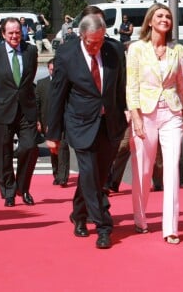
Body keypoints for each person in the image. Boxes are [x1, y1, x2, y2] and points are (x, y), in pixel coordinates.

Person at [46, 14, 128, 249]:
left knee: (97, 176)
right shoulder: (67, 54)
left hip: (108, 124)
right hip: (80, 123)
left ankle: (79, 215)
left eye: (101, 40)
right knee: (90, 172)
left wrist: (126, 113)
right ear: (82, 36)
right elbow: (57, 94)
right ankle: (103, 226)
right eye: (93, 42)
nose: (97, 46)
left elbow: (119, 88)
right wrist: (53, 134)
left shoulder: (114, 50)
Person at [126, 3, 183, 245]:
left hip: (171, 113)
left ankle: (170, 227)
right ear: (150, 21)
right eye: (160, 16)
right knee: (143, 169)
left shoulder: (177, 50)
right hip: (145, 113)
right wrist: (136, 118)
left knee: (172, 168)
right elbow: (131, 86)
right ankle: (140, 218)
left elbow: (181, 85)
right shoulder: (136, 49)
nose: (165, 19)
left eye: (168, 16)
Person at [0, 17, 39, 207]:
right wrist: (3, 97)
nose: (15, 36)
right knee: (4, 153)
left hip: (26, 109)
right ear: (3, 34)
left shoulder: (31, 51)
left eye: (17, 32)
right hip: (3, 109)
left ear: (22, 31)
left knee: (30, 147)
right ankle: (8, 191)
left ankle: (22, 188)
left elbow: (30, 75)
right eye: (10, 33)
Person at [36, 58, 70, 187]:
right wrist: (38, 121)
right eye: (51, 70)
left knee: (63, 148)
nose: (53, 72)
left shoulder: (66, 83)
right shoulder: (41, 84)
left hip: (63, 121)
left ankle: (63, 177)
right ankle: (56, 174)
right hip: (47, 122)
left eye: (55, 70)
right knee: (53, 149)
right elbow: (37, 104)